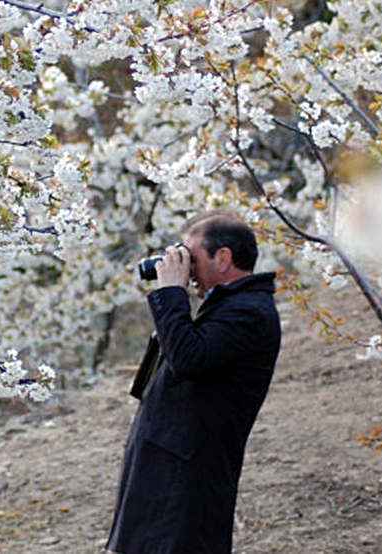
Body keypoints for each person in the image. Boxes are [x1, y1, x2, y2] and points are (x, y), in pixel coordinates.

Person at [107, 210, 282, 554]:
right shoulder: (231, 307)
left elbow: (189, 359)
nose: (186, 268)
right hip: (171, 468)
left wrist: (172, 293)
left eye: (192, 257)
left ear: (223, 258)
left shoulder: (249, 312)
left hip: (185, 476)